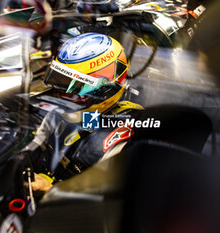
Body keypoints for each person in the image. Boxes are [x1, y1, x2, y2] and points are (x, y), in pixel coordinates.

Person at [27, 32, 144, 192]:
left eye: (74, 88)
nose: (60, 94)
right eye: (59, 81)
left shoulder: (125, 136)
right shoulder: (56, 113)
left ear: (106, 89)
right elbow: (30, 149)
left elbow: (106, 202)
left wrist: (50, 191)